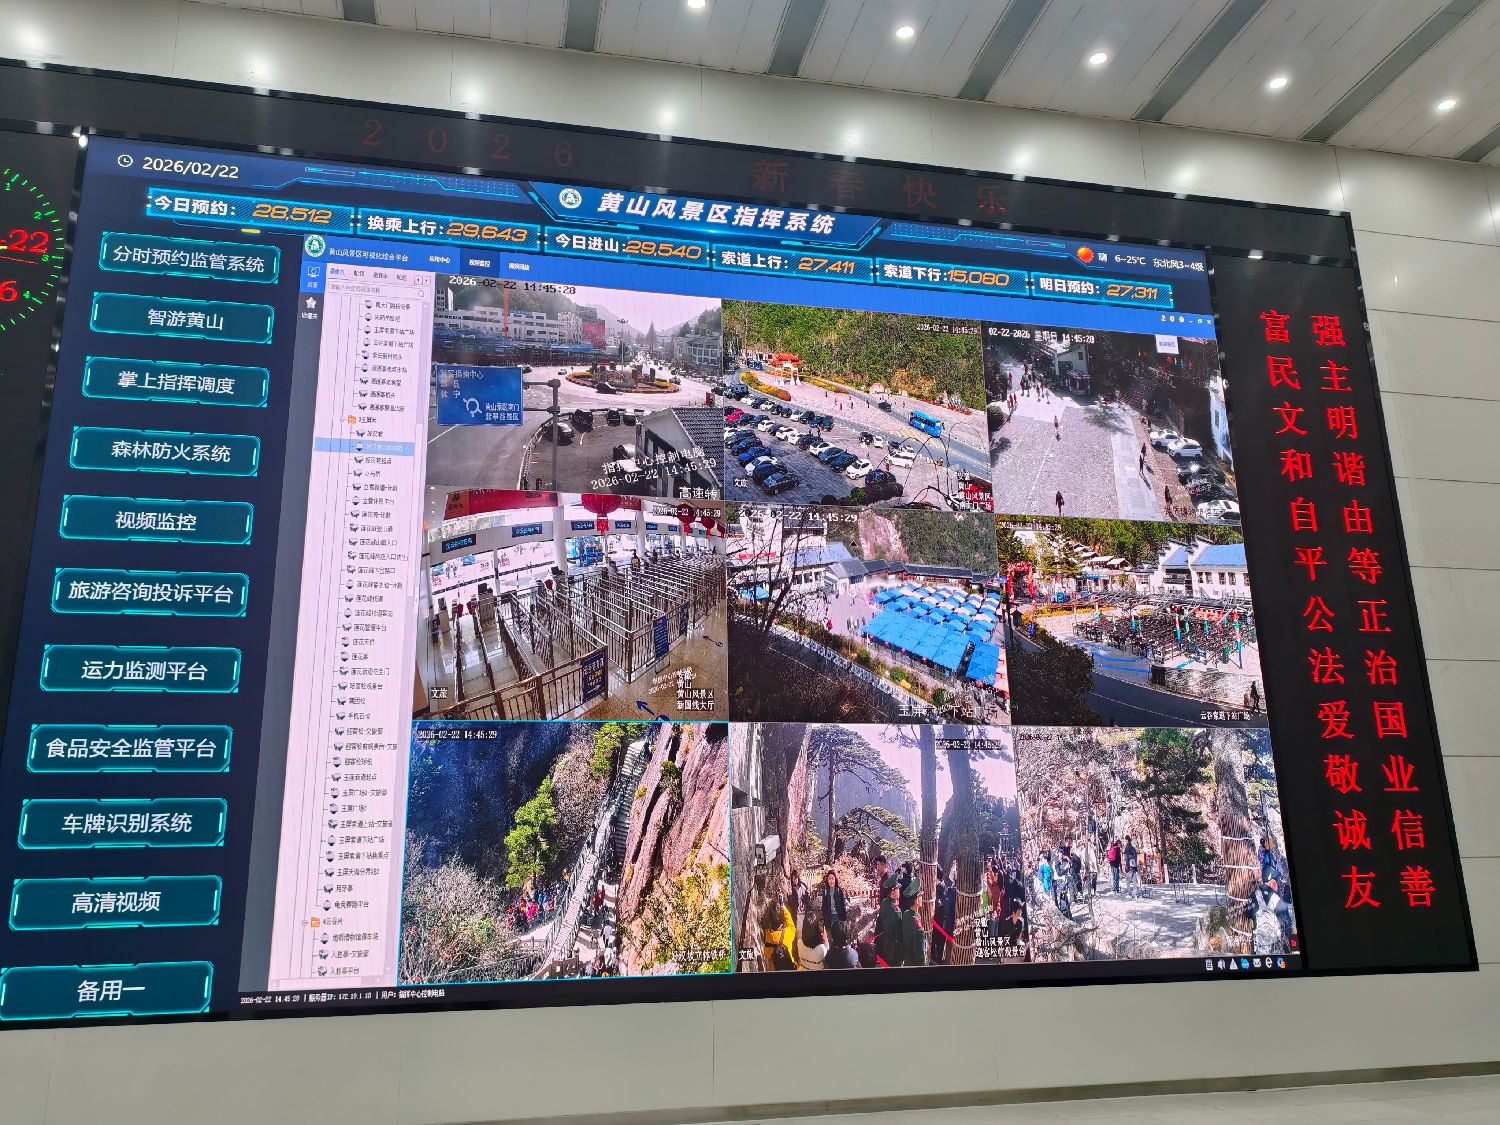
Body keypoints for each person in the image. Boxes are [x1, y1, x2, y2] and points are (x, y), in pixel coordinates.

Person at [760, 899, 800, 971]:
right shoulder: (788, 932)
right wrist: (785, 910)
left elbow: (767, 954)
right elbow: (792, 926)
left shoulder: (768, 935)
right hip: (790, 966)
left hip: (775, 969)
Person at [874, 874, 904, 968]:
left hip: (884, 943)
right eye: (897, 889)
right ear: (893, 892)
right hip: (893, 948)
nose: (899, 891)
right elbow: (898, 933)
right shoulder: (895, 910)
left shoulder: (884, 902)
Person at [932, 872, 957, 964]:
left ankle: (936, 959)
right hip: (943, 923)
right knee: (941, 944)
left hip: (939, 923)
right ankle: (939, 959)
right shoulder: (946, 890)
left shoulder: (949, 891)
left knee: (937, 943)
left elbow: (947, 909)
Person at [900, 888, 928, 967]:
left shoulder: (906, 914)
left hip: (907, 960)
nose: (922, 899)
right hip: (915, 964)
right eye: (920, 897)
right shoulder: (918, 927)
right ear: (917, 901)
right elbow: (919, 952)